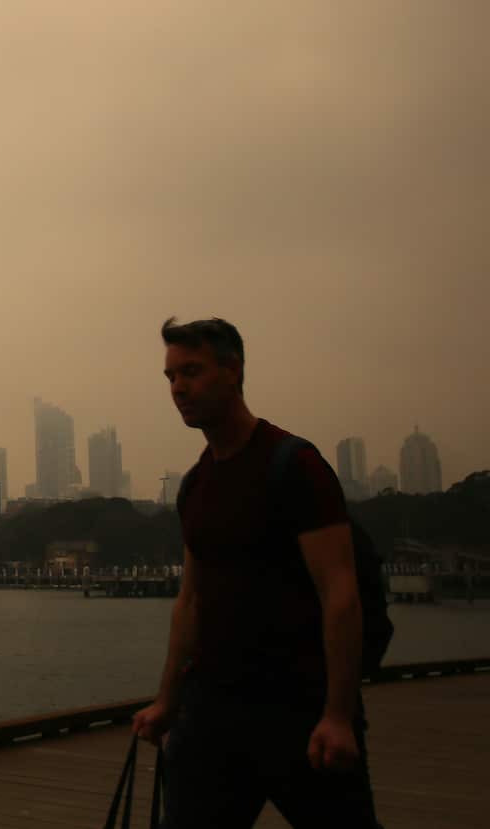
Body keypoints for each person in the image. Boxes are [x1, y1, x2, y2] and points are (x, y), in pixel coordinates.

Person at [132, 317, 381, 827]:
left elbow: (340, 594)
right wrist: (167, 700)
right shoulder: (196, 484)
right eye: (171, 377)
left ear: (233, 370)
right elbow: (191, 601)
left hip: (298, 708)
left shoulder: (294, 465)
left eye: (192, 372)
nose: (178, 388)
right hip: (212, 710)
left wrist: (336, 715)